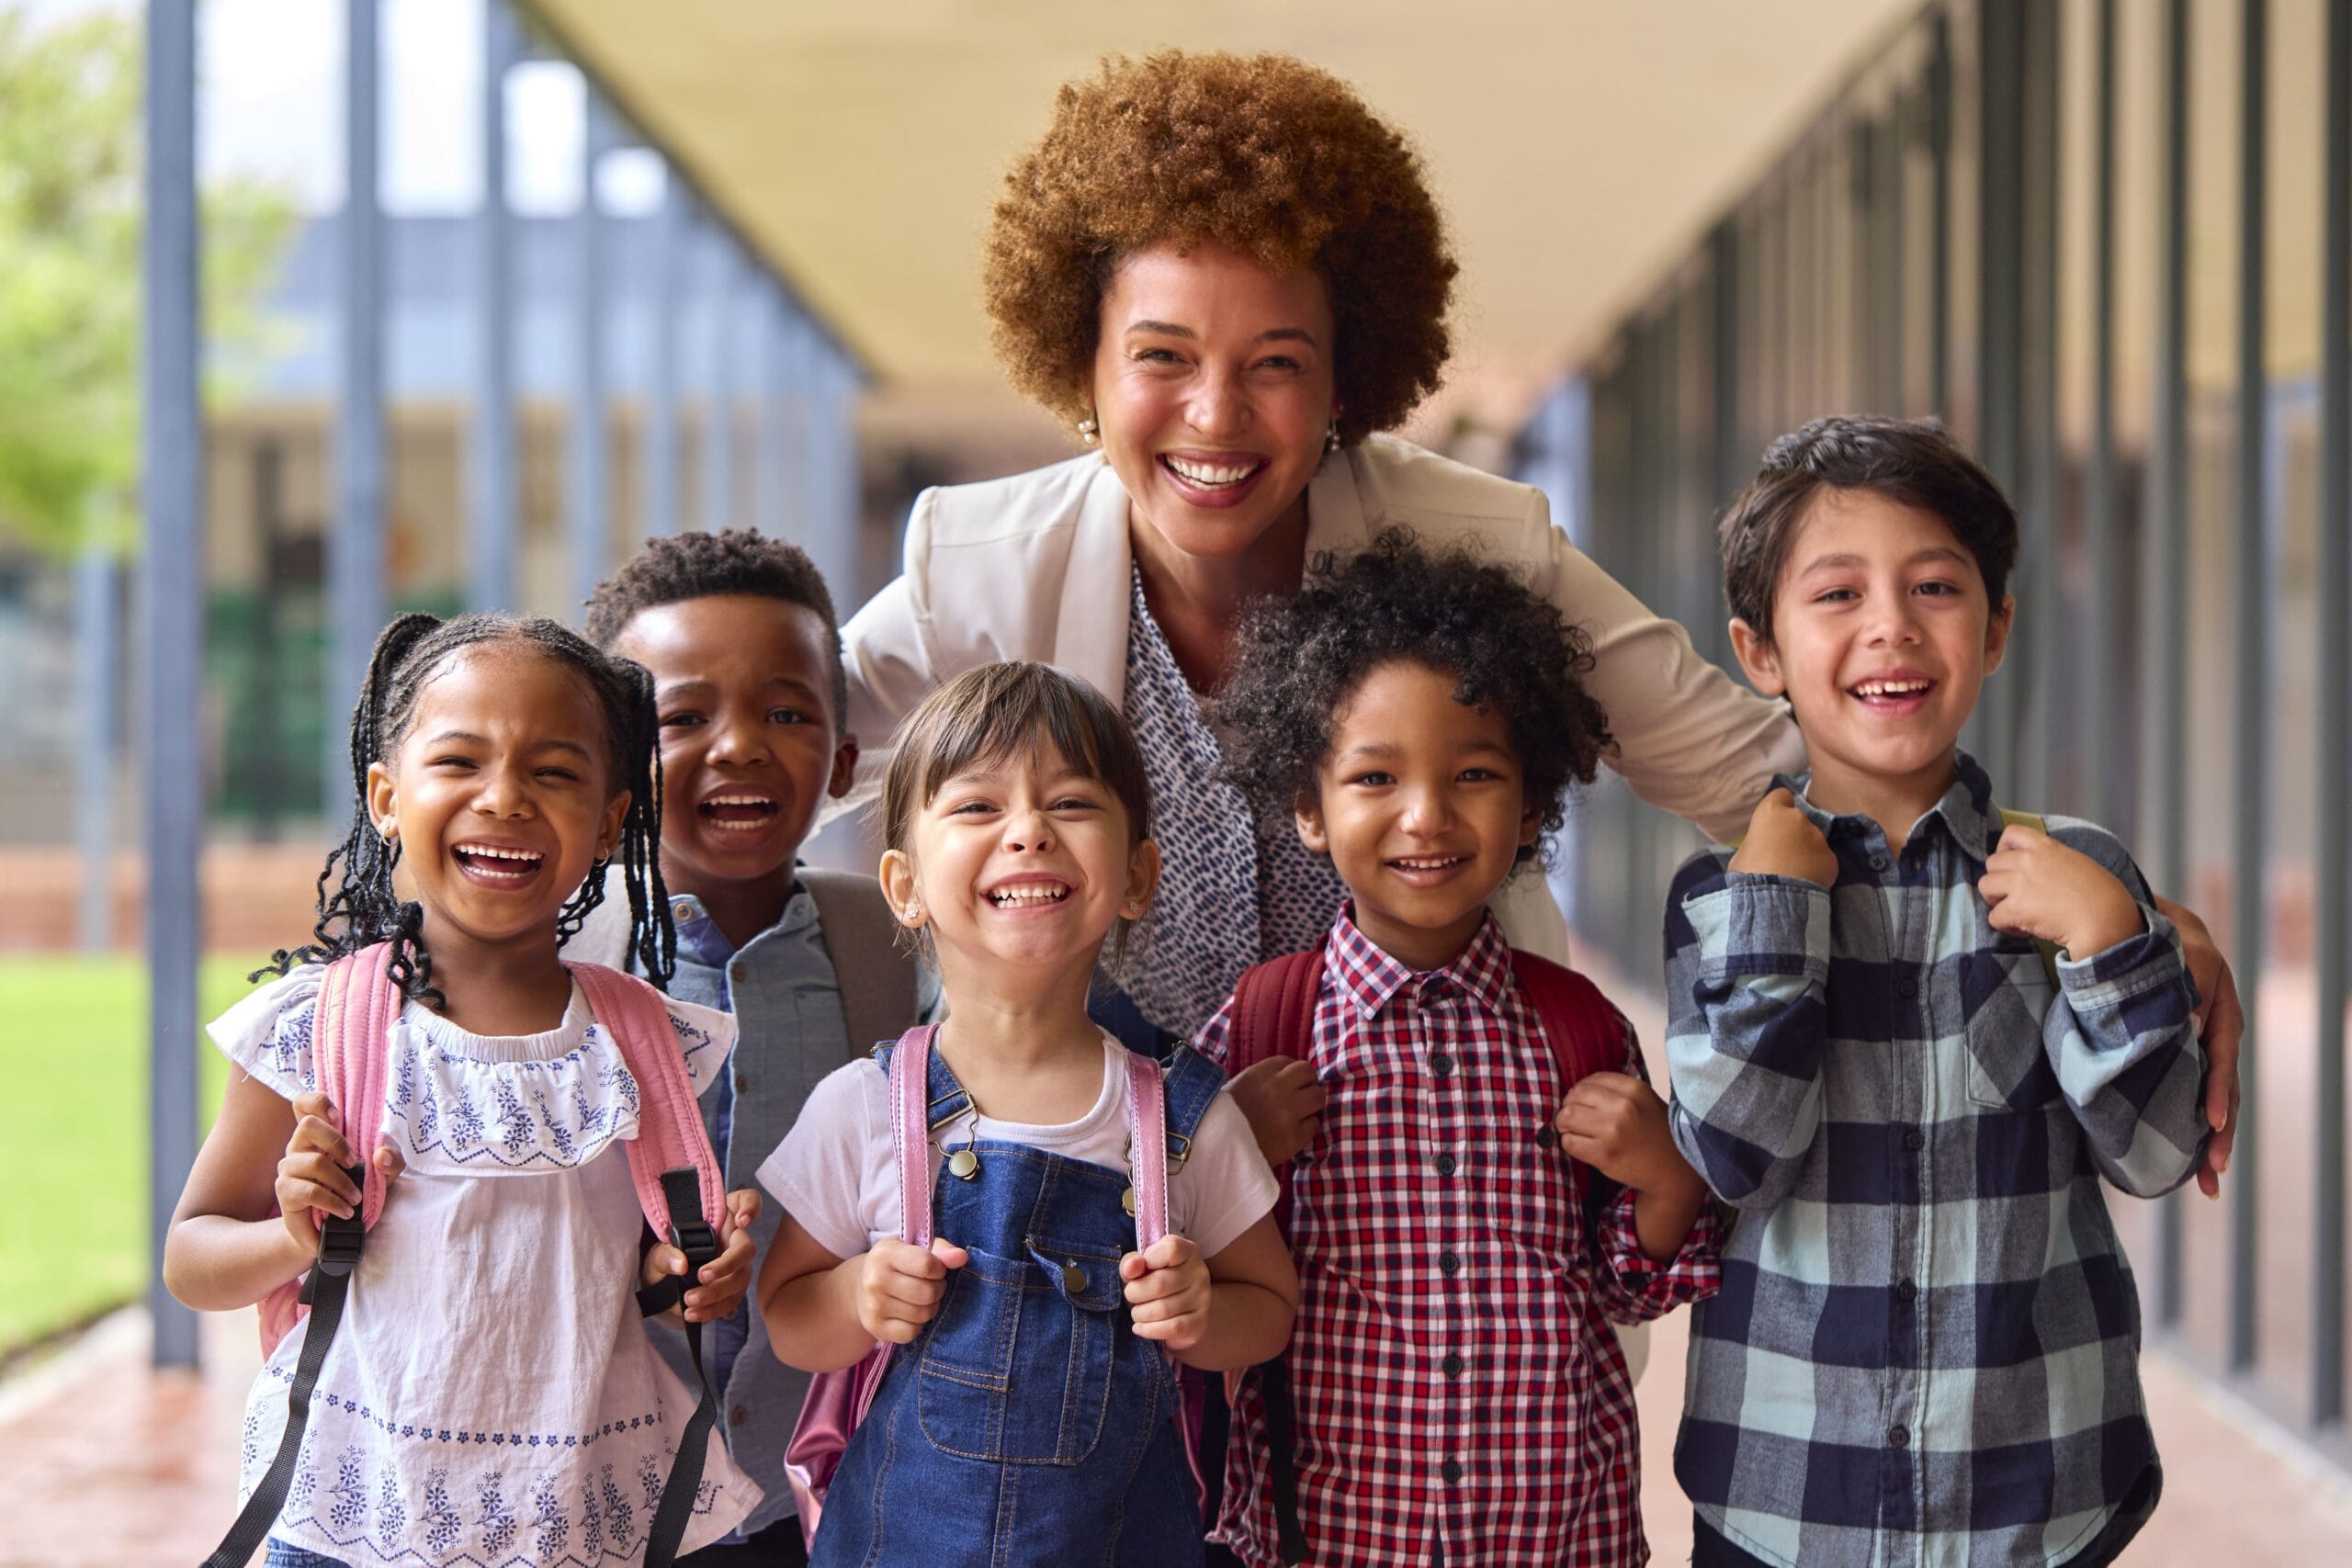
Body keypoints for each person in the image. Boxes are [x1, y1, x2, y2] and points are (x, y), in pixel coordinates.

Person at [831, 48, 2243, 1207]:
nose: (1215, 416)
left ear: (1346, 384)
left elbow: (1771, 767)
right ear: (1079, 359)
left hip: (1427, 1184)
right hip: (1126, 1192)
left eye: (1278, 364)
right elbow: (778, 729)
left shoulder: (1469, 538)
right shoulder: (981, 562)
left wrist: (2100, 902)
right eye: (1162, 359)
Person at [1664, 417, 2209, 1568]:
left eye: (1934, 587)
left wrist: (2113, 939)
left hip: (2040, 1495)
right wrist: (1776, 919)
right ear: (1758, 651)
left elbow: (2158, 1153)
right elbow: (1733, 1158)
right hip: (1784, 1499)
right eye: (1836, 593)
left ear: (1996, 628)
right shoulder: (1722, 898)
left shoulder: (2080, 877)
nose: (1890, 628)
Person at [164, 613, 765, 1567]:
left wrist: (689, 1275)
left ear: (611, 823)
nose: (506, 798)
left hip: (586, 1514)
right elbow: (192, 1260)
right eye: (459, 761)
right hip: (357, 1517)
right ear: (386, 798)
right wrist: (290, 1234)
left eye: (554, 772)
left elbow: (631, 1268)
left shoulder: (647, 1041)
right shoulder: (322, 1028)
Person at [1201, 532, 1720, 1567]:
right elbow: (1190, 1279)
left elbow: (1624, 1288)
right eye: (1374, 777)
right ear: (1308, 808)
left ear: (1530, 805)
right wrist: (1226, 1155)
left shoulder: (1577, 1029)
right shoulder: (1263, 1029)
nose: (1426, 816)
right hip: (1330, 1538)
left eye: (1473, 773)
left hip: (1555, 1537)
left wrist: (1665, 1175)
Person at [754, 662, 1297, 1565]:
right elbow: (787, 1314)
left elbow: (1270, 1309)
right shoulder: (861, 1108)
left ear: (1136, 874)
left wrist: (1203, 1312)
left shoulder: (1185, 1120)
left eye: (1072, 803)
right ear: (903, 884)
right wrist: (856, 1296)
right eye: (976, 808)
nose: (1028, 832)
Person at [581, 530, 921, 1567]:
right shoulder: (546, 970)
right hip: (591, 1498)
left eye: (786, 712)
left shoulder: (899, 956)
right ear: (613, 762)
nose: (737, 746)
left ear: (845, 760)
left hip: (816, 1501)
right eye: (682, 717)